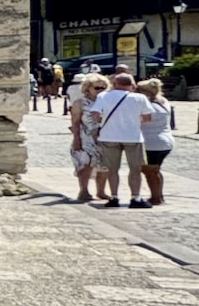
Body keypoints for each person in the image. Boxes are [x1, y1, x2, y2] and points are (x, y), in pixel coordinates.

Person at [90, 72, 154, 209]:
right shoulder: (140, 98)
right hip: (133, 137)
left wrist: (105, 121)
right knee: (135, 169)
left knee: (112, 170)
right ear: (132, 85)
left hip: (109, 137)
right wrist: (133, 121)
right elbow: (148, 118)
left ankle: (114, 197)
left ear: (114, 84)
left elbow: (95, 114)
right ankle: (135, 198)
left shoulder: (103, 96)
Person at [69, 75, 109, 203]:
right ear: (88, 88)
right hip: (86, 137)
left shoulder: (108, 101)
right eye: (97, 87)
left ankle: (101, 191)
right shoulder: (80, 103)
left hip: (105, 137)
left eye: (104, 87)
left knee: (104, 166)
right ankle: (84, 190)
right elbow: (75, 123)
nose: (101, 90)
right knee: (86, 164)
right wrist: (76, 139)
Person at [139, 77, 175, 206]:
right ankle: (159, 195)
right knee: (156, 169)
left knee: (150, 171)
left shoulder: (147, 106)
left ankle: (156, 197)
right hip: (166, 140)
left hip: (151, 142)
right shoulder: (163, 101)